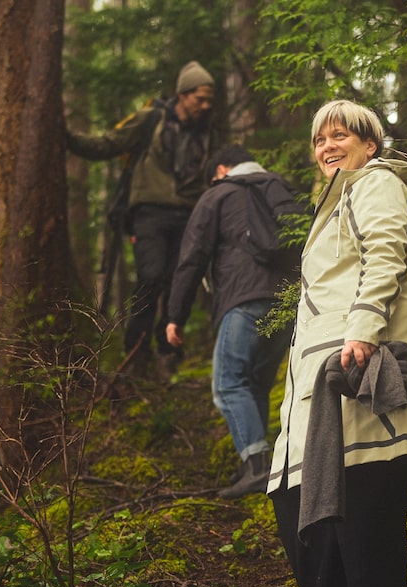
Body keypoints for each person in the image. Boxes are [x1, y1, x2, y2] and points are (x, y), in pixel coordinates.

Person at [266, 99, 407, 587]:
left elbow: (385, 255)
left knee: (366, 489)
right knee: (296, 491)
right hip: (319, 373)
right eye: (320, 140)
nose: (328, 147)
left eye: (340, 135)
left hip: (360, 363)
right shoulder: (337, 198)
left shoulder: (376, 182)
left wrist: (366, 331)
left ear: (370, 145)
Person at [166, 144, 308, 498]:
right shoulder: (280, 187)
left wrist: (175, 316)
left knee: (228, 384)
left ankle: (257, 464)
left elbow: (192, 257)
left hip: (243, 300)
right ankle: (259, 464)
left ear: (221, 168)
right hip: (288, 303)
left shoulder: (219, 194)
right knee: (255, 385)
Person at [66, 61, 216, 371]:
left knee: (180, 284)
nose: (206, 105)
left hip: (189, 216)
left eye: (209, 99)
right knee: (150, 276)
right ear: (182, 94)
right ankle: (135, 352)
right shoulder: (151, 119)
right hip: (149, 213)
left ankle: (168, 349)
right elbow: (110, 143)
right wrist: (67, 138)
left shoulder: (207, 131)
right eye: (200, 98)